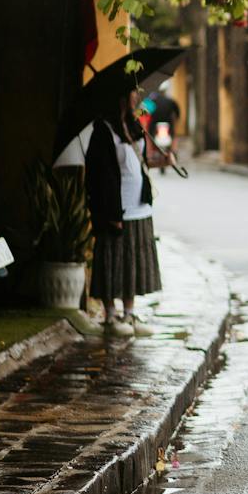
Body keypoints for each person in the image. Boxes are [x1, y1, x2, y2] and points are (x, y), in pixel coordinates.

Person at [85, 95, 164, 334]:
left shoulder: (133, 125)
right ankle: (110, 314)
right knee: (112, 258)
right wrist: (110, 211)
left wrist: (164, 161)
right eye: (129, 96)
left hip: (139, 205)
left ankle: (129, 313)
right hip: (116, 206)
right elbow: (101, 173)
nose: (134, 100)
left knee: (133, 260)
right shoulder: (103, 129)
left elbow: (141, 162)